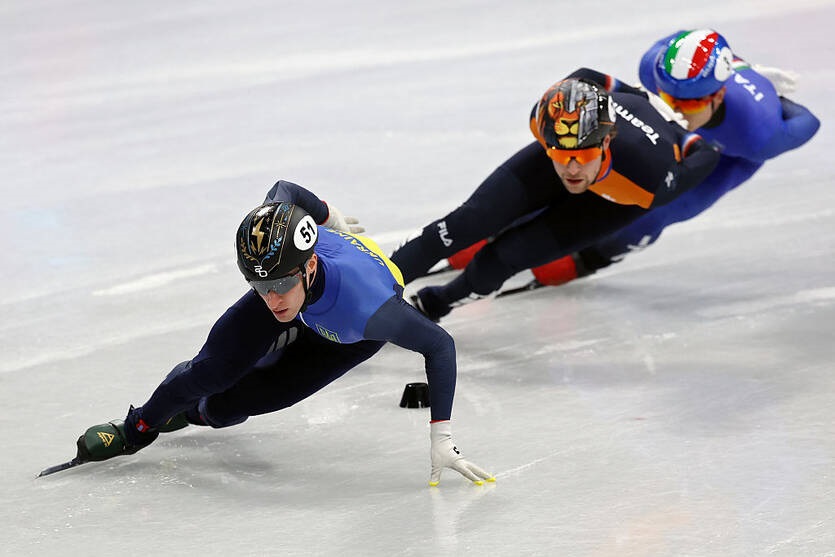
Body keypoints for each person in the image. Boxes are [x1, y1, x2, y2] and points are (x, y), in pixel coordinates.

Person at [68, 180, 493, 486]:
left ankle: (195, 413)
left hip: (345, 333)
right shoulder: (278, 264)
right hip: (311, 291)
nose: (272, 299)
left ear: (310, 265)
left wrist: (442, 436)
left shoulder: (369, 308)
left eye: (279, 286)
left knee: (237, 402)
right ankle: (136, 428)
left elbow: (440, 345)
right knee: (211, 370)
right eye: (259, 286)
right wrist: (327, 214)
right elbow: (284, 190)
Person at [390, 74, 721, 321]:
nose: (572, 169)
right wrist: (631, 93)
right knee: (462, 225)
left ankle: (437, 304)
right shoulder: (542, 120)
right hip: (563, 165)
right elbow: (586, 76)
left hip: (610, 200)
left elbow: (706, 156)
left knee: (505, 257)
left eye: (583, 156)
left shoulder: (649, 178)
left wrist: (683, 134)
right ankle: (373, 285)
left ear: (606, 141)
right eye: (562, 155)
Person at [509, 29, 821, 287]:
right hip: (699, 119)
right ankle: (514, 221)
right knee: (592, 162)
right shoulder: (653, 67)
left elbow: (810, 121)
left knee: (658, 209)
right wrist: (739, 67)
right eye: (670, 98)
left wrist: (775, 97)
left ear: (718, 95)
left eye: (692, 103)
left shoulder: (759, 134)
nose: (679, 111)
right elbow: (682, 42)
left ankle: (588, 259)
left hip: (727, 154)